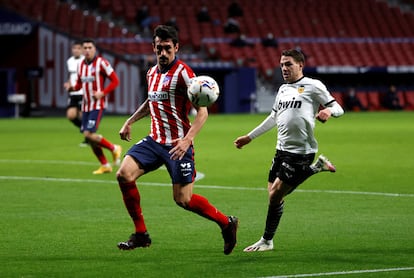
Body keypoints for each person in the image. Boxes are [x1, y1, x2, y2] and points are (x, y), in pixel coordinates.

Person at [115, 25, 238, 255]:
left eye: (167, 49)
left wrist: (187, 140)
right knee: (123, 174)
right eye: (159, 48)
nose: (163, 53)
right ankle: (141, 234)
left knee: (183, 200)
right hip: (154, 141)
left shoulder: (184, 73)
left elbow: (203, 112)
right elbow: (151, 102)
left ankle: (226, 223)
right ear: (153, 47)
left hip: (177, 145)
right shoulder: (151, 73)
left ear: (176, 48)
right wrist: (130, 121)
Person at [234, 49, 344, 252]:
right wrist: (249, 137)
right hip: (281, 149)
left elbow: (338, 107)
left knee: (275, 195)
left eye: (288, 64)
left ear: (300, 65)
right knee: (273, 194)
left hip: (301, 151)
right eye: (282, 64)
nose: (284, 68)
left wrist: (328, 110)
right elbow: (273, 118)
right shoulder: (283, 89)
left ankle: (267, 241)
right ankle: (316, 168)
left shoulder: (313, 85)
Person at [64, 38, 122, 174]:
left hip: (97, 104)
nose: (87, 50)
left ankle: (114, 148)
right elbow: (79, 85)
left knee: (88, 134)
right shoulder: (80, 66)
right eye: (85, 48)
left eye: (90, 48)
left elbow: (115, 80)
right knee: (90, 137)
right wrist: (72, 88)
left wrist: (103, 92)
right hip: (85, 105)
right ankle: (105, 165)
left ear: (95, 49)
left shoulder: (102, 63)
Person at [63, 40, 85, 146]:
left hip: (82, 92)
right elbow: (71, 76)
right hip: (73, 93)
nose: (76, 50)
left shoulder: (85, 61)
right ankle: (87, 132)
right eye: (74, 48)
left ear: (82, 50)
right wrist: (68, 84)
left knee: (82, 115)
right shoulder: (70, 61)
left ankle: (88, 138)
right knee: (71, 115)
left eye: (78, 48)